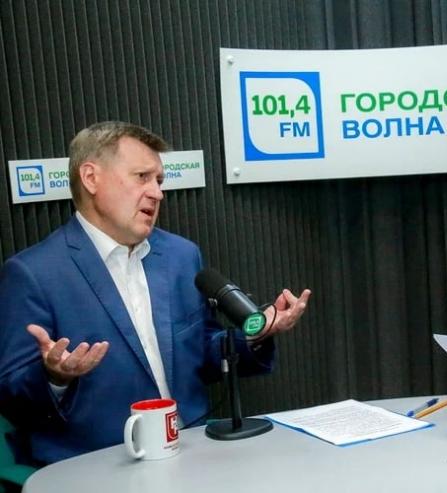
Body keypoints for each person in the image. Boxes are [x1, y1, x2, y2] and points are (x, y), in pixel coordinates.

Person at [0, 121, 311, 464]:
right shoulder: (33, 273)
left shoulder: (181, 256)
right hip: (95, 464)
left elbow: (204, 355)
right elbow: (12, 397)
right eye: (142, 177)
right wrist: (54, 377)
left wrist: (255, 334)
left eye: (159, 181)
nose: (157, 193)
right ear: (91, 178)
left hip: (192, 454)